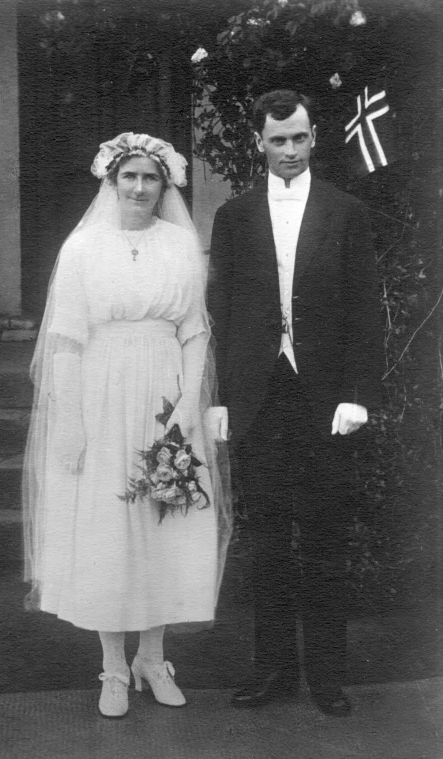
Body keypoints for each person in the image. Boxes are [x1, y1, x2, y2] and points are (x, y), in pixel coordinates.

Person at [23, 133, 232, 719]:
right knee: (109, 526)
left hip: (165, 397)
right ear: (111, 183)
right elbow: (64, 341)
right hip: (101, 396)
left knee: (165, 519)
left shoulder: (180, 246)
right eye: (129, 177)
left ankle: (153, 657)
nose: (140, 188)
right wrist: (70, 420)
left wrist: (188, 405)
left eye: (150, 178)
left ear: (165, 186)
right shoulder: (84, 248)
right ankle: (114, 666)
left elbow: (194, 332)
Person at [208, 90, 382, 716]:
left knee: (325, 540)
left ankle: (328, 678)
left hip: (324, 399)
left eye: (298, 138)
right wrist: (221, 398)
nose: (288, 150)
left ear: (313, 139)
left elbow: (366, 309)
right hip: (259, 397)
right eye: (277, 139)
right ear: (260, 141)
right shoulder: (234, 216)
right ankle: (273, 671)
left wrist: (358, 395)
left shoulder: (346, 212)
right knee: (269, 543)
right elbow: (221, 311)